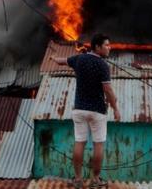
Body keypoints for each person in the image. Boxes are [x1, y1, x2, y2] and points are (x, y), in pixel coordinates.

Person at [51, 34, 120, 188]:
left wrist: (55, 59)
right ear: (97, 47)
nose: (110, 48)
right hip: (97, 111)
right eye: (107, 45)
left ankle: (77, 179)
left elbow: (64, 61)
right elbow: (107, 89)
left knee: (79, 142)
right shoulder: (103, 65)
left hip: (79, 109)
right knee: (98, 145)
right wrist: (115, 108)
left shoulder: (79, 59)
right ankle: (95, 180)